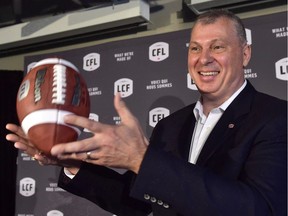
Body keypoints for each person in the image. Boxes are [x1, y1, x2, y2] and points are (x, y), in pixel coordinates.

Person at [6, 9, 287, 216]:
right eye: (195, 48)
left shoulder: (275, 118)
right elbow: (137, 203)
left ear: (245, 54)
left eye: (218, 47)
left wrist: (142, 159)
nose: (204, 58)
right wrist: (70, 164)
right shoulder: (172, 125)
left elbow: (259, 208)